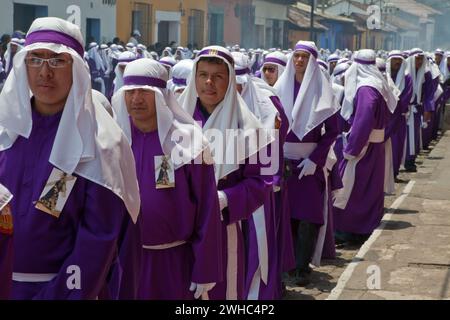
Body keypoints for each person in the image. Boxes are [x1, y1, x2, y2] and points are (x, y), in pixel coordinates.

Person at [0, 17, 141, 300]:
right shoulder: (6, 131)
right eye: (36, 59)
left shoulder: (103, 143)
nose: (44, 73)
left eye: (57, 61)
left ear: (77, 67)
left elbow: (97, 241)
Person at [111, 58, 222, 300]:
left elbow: (207, 209)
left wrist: (205, 268)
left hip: (174, 262)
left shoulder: (190, 143)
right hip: (124, 261)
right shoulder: (112, 140)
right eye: (130, 92)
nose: (136, 99)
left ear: (161, 96)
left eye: (144, 92)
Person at [179, 46, 274, 300]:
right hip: (178, 228)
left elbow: (261, 182)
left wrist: (225, 198)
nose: (209, 83)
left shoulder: (248, 127)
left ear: (230, 80)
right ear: (194, 78)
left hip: (223, 229)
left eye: (218, 76)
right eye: (203, 75)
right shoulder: (176, 120)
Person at [274, 41, 340, 286]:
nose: (299, 61)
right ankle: (286, 265)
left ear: (312, 62)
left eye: (304, 57)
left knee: (307, 218)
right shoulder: (280, 87)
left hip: (308, 165)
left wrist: (315, 159)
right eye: (296, 56)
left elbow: (332, 131)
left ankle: (302, 267)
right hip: (283, 161)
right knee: (286, 215)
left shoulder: (323, 91)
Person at [333, 49, 398, 244]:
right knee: (369, 188)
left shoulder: (366, 88)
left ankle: (351, 229)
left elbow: (364, 118)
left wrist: (352, 147)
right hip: (373, 146)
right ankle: (364, 227)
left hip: (364, 146)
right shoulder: (378, 85)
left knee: (355, 188)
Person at [386, 50, 413, 180]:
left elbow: (406, 97)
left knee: (396, 146)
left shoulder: (407, 78)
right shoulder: (384, 76)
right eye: (394, 59)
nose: (397, 62)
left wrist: (394, 109)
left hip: (398, 118)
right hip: (385, 118)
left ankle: (394, 172)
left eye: (399, 60)